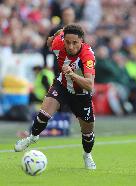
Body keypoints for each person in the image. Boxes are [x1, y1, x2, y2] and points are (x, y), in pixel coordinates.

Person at [14, 24, 97, 170]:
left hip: (81, 94)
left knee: (88, 134)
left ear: (81, 41)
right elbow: (49, 43)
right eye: (68, 42)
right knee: (43, 114)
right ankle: (32, 137)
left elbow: (90, 85)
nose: (70, 46)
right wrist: (53, 37)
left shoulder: (87, 55)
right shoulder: (58, 43)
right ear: (63, 39)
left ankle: (87, 155)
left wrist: (72, 74)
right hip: (62, 86)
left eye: (75, 43)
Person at [41, 6, 76, 76]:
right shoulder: (55, 31)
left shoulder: (78, 31)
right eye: (66, 15)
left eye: (69, 15)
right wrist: (46, 63)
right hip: (58, 68)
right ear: (62, 16)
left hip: (74, 68)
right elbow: (45, 48)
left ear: (74, 16)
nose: (67, 17)